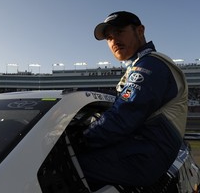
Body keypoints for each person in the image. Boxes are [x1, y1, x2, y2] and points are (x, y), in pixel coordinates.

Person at [77, 11, 188, 191]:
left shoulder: (150, 65)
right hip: (144, 151)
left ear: (140, 31)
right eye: (109, 38)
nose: (113, 41)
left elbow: (123, 117)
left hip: (145, 155)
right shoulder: (140, 65)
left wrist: (83, 139)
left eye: (119, 32)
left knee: (67, 166)